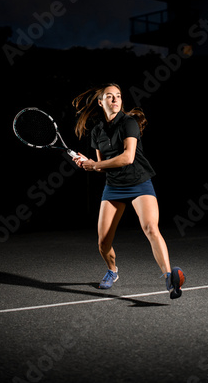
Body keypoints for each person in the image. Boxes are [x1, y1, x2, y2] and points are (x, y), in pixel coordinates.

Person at [72, 83, 185, 299]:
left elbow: (128, 158)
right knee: (103, 242)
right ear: (100, 102)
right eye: (109, 96)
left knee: (151, 228)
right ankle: (112, 272)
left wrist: (95, 166)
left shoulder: (129, 123)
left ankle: (169, 279)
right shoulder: (97, 131)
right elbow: (102, 163)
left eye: (118, 96)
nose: (115, 100)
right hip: (113, 187)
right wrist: (87, 162)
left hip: (139, 182)